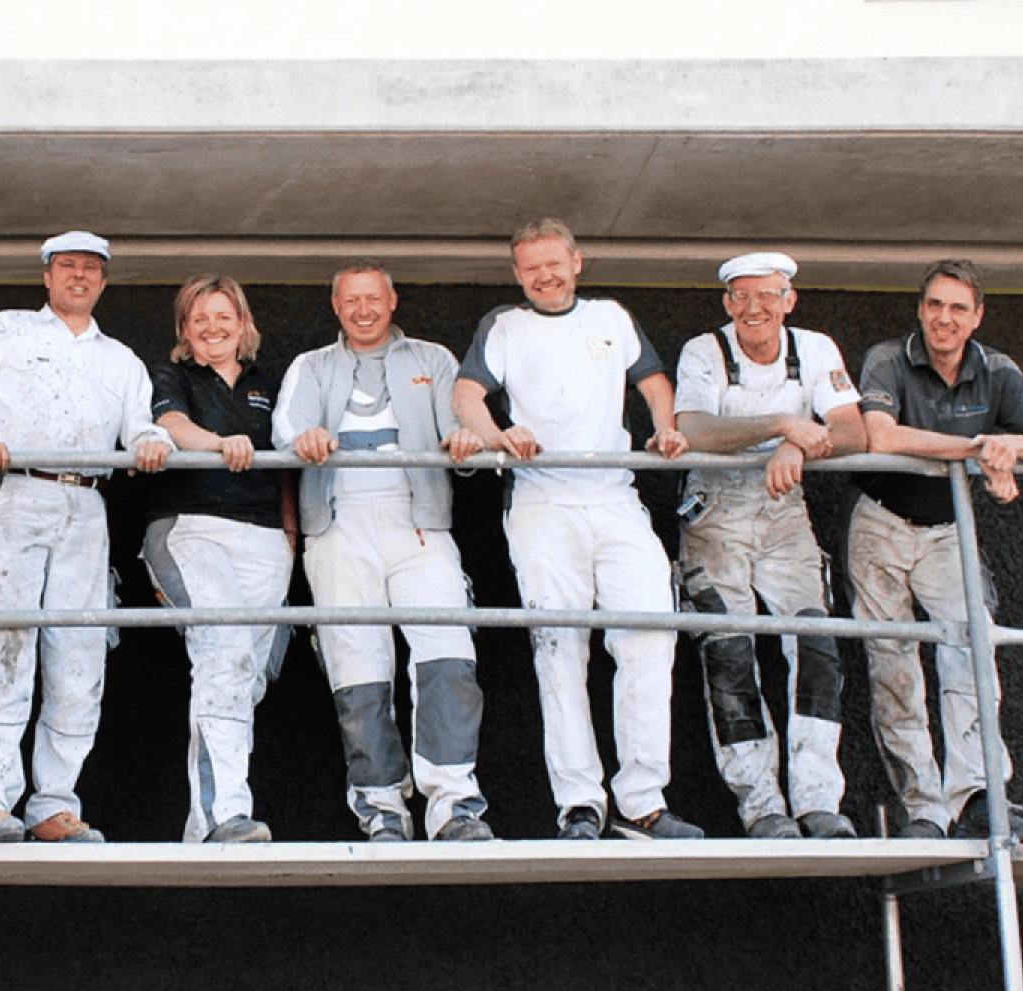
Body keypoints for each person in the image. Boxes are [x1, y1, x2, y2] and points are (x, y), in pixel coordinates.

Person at [452, 217, 703, 841]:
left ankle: (644, 800)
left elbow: (653, 381)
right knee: (560, 650)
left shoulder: (612, 318)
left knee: (649, 637)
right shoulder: (504, 327)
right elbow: (465, 397)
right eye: (531, 268)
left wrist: (666, 428)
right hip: (542, 503)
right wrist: (499, 436)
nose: (545, 275)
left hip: (615, 498)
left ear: (577, 262)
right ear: (518, 275)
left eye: (554, 263)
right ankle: (580, 805)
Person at [0, 230, 172, 843]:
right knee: (7, 646)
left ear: (103, 280)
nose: (79, 277)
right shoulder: (2, 330)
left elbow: (140, 427)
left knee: (79, 655)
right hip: (17, 488)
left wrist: (152, 444)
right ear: (46, 275)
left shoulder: (120, 359)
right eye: (67, 266)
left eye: (91, 269)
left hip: (88, 502)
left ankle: (53, 803)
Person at [271, 264, 495, 843]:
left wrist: (464, 441)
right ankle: (380, 805)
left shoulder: (433, 359)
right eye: (352, 301)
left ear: (393, 300)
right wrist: (304, 439)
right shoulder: (312, 366)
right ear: (335, 306)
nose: (363, 310)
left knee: (448, 656)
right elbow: (285, 429)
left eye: (373, 298)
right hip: (338, 526)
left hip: (419, 522)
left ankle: (454, 804)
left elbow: (460, 428)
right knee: (357, 666)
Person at [849, 258, 1023, 843]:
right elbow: (881, 435)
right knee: (894, 663)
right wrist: (979, 448)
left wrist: (1008, 447)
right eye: (934, 306)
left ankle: (978, 796)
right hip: (881, 524)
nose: (943, 319)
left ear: (978, 317)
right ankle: (922, 807)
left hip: (948, 528)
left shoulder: (997, 370)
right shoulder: (887, 358)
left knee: (971, 652)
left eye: (957, 308)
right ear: (920, 309)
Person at [673, 252, 865, 840]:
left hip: (785, 513)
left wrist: (800, 449)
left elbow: (853, 429)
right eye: (741, 297)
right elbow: (695, 429)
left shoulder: (815, 348)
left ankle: (817, 801)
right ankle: (761, 808)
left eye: (767, 295)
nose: (754, 308)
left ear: (789, 299)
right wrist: (783, 425)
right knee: (729, 656)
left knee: (817, 646)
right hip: (715, 514)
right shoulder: (704, 349)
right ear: (727, 303)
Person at [142, 276, 295, 844]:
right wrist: (220, 443)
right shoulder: (172, 375)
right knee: (225, 653)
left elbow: (286, 468)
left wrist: (290, 542)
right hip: (191, 527)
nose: (212, 328)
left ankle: (212, 817)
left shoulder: (267, 383)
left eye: (223, 316)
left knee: (243, 677)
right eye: (198, 318)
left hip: (265, 537)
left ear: (243, 323)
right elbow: (170, 427)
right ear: (184, 330)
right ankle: (221, 815)